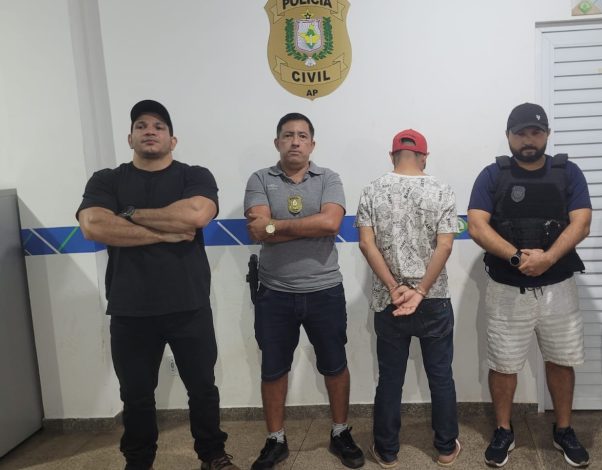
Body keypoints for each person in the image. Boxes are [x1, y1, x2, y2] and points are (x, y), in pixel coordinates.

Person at [76, 100, 238, 470]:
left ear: (172, 140)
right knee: (135, 395)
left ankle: (212, 454)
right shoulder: (107, 180)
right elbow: (93, 225)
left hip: (189, 305)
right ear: (129, 137)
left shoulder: (194, 176)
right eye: (141, 125)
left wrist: (128, 214)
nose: (150, 131)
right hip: (130, 309)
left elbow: (196, 215)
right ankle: (138, 461)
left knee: (202, 388)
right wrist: (166, 232)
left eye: (159, 126)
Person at [467, 102, 592, 468]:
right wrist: (518, 258)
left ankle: (563, 429)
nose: (528, 140)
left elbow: (581, 223)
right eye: (520, 133)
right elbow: (477, 226)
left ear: (547, 134)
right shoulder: (492, 175)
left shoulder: (568, 172)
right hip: (507, 288)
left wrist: (548, 259)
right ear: (508, 136)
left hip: (559, 288)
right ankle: (503, 430)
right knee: (503, 363)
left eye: (535, 132)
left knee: (562, 360)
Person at [244, 113, 365, 470]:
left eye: (302, 136)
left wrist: (275, 226)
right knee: (273, 369)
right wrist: (304, 226)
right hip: (274, 293)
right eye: (287, 135)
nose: (295, 141)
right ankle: (275, 440)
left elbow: (331, 223)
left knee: (335, 365)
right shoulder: (260, 179)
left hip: (324, 290)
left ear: (312, 144)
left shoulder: (329, 178)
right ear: (277, 142)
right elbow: (257, 231)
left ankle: (340, 432)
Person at [356, 129, 461, 468]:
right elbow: (445, 246)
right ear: (424, 157)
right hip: (433, 298)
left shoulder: (372, 190)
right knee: (440, 376)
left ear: (392, 156)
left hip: (391, 300)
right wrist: (421, 290)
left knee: (390, 379)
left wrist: (393, 287)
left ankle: (387, 451)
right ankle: (446, 449)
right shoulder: (442, 190)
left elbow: (366, 244)